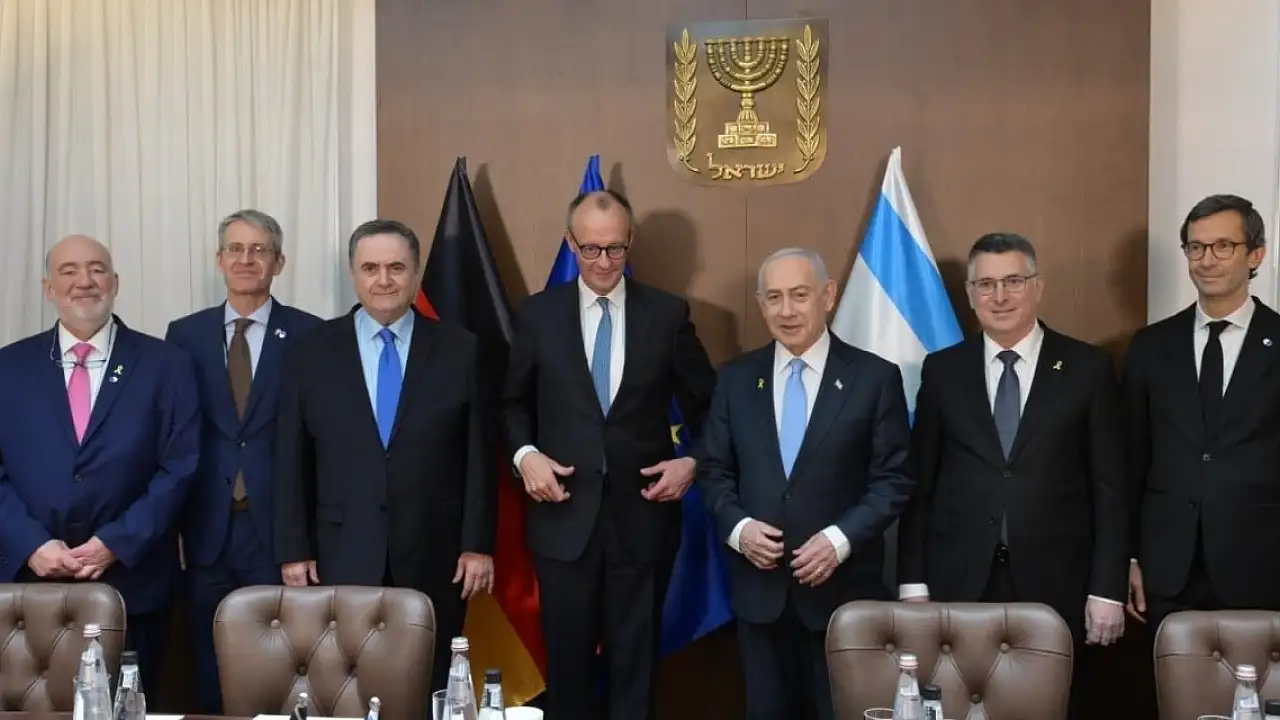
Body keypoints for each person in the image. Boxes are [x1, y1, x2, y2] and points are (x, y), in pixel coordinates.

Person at [501, 190, 716, 720]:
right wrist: (526, 455)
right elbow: (509, 405)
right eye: (591, 249)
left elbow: (714, 408)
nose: (603, 262)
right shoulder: (538, 315)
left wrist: (692, 462)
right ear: (570, 243)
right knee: (567, 674)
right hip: (563, 517)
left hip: (643, 520)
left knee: (634, 674)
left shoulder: (666, 314)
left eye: (615, 248)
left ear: (630, 242)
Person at [896, 233, 1128, 716]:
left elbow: (1110, 488)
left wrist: (1107, 588)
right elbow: (921, 484)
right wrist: (913, 582)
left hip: (1059, 583)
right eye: (985, 284)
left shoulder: (1087, 369)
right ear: (969, 293)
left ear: (1037, 286)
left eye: (1013, 282)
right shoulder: (942, 371)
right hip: (959, 580)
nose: (999, 296)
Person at [273, 219, 495, 692]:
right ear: (353, 274)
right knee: (346, 682)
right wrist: (294, 549)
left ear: (415, 273)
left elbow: (479, 454)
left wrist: (477, 544)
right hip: (341, 548)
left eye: (396, 267)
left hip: (436, 549)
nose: (384, 280)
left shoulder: (460, 349)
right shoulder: (310, 351)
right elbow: (291, 456)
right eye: (370, 268)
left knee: (429, 678)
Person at [696, 247, 913, 720]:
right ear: (761, 304)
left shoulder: (874, 378)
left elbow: (893, 480)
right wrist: (739, 530)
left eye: (799, 295)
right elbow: (712, 470)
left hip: (843, 598)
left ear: (828, 296)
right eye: (774, 297)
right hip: (760, 596)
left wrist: (840, 540)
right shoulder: (735, 379)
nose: (787, 310)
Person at [0, 234, 200, 699]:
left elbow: (180, 466)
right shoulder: (9, 367)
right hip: (30, 584)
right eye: (68, 271)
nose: (84, 281)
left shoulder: (166, 365)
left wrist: (116, 543)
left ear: (115, 282)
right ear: (48, 287)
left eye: (96, 269)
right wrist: (31, 544)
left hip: (134, 584)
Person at [165, 210, 322, 713]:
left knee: (283, 659)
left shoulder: (311, 334)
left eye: (259, 250)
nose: (246, 259)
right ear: (219, 260)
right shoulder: (184, 335)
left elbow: (318, 438)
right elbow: (174, 433)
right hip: (205, 527)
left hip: (279, 528)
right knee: (210, 657)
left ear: (279, 262)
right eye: (235, 249)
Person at [1123, 194, 1280, 630]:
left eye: (1223, 246)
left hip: (1261, 567)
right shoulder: (1150, 346)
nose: (1207, 260)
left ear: (1256, 254)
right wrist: (1128, 556)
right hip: (1167, 570)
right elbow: (1129, 461)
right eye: (1196, 247)